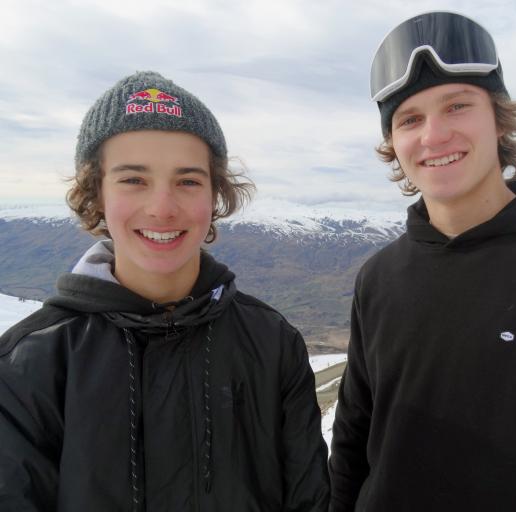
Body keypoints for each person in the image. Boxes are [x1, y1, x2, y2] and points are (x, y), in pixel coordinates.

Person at [329, 11, 516, 512]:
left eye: (457, 106)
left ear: (498, 118)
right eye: (410, 119)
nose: (434, 135)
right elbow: (352, 446)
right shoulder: (379, 278)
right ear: (394, 145)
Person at [0, 71, 329, 511]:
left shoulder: (273, 346)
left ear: (216, 195)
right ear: (96, 192)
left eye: (188, 180)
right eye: (134, 179)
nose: (162, 207)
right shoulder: (29, 366)